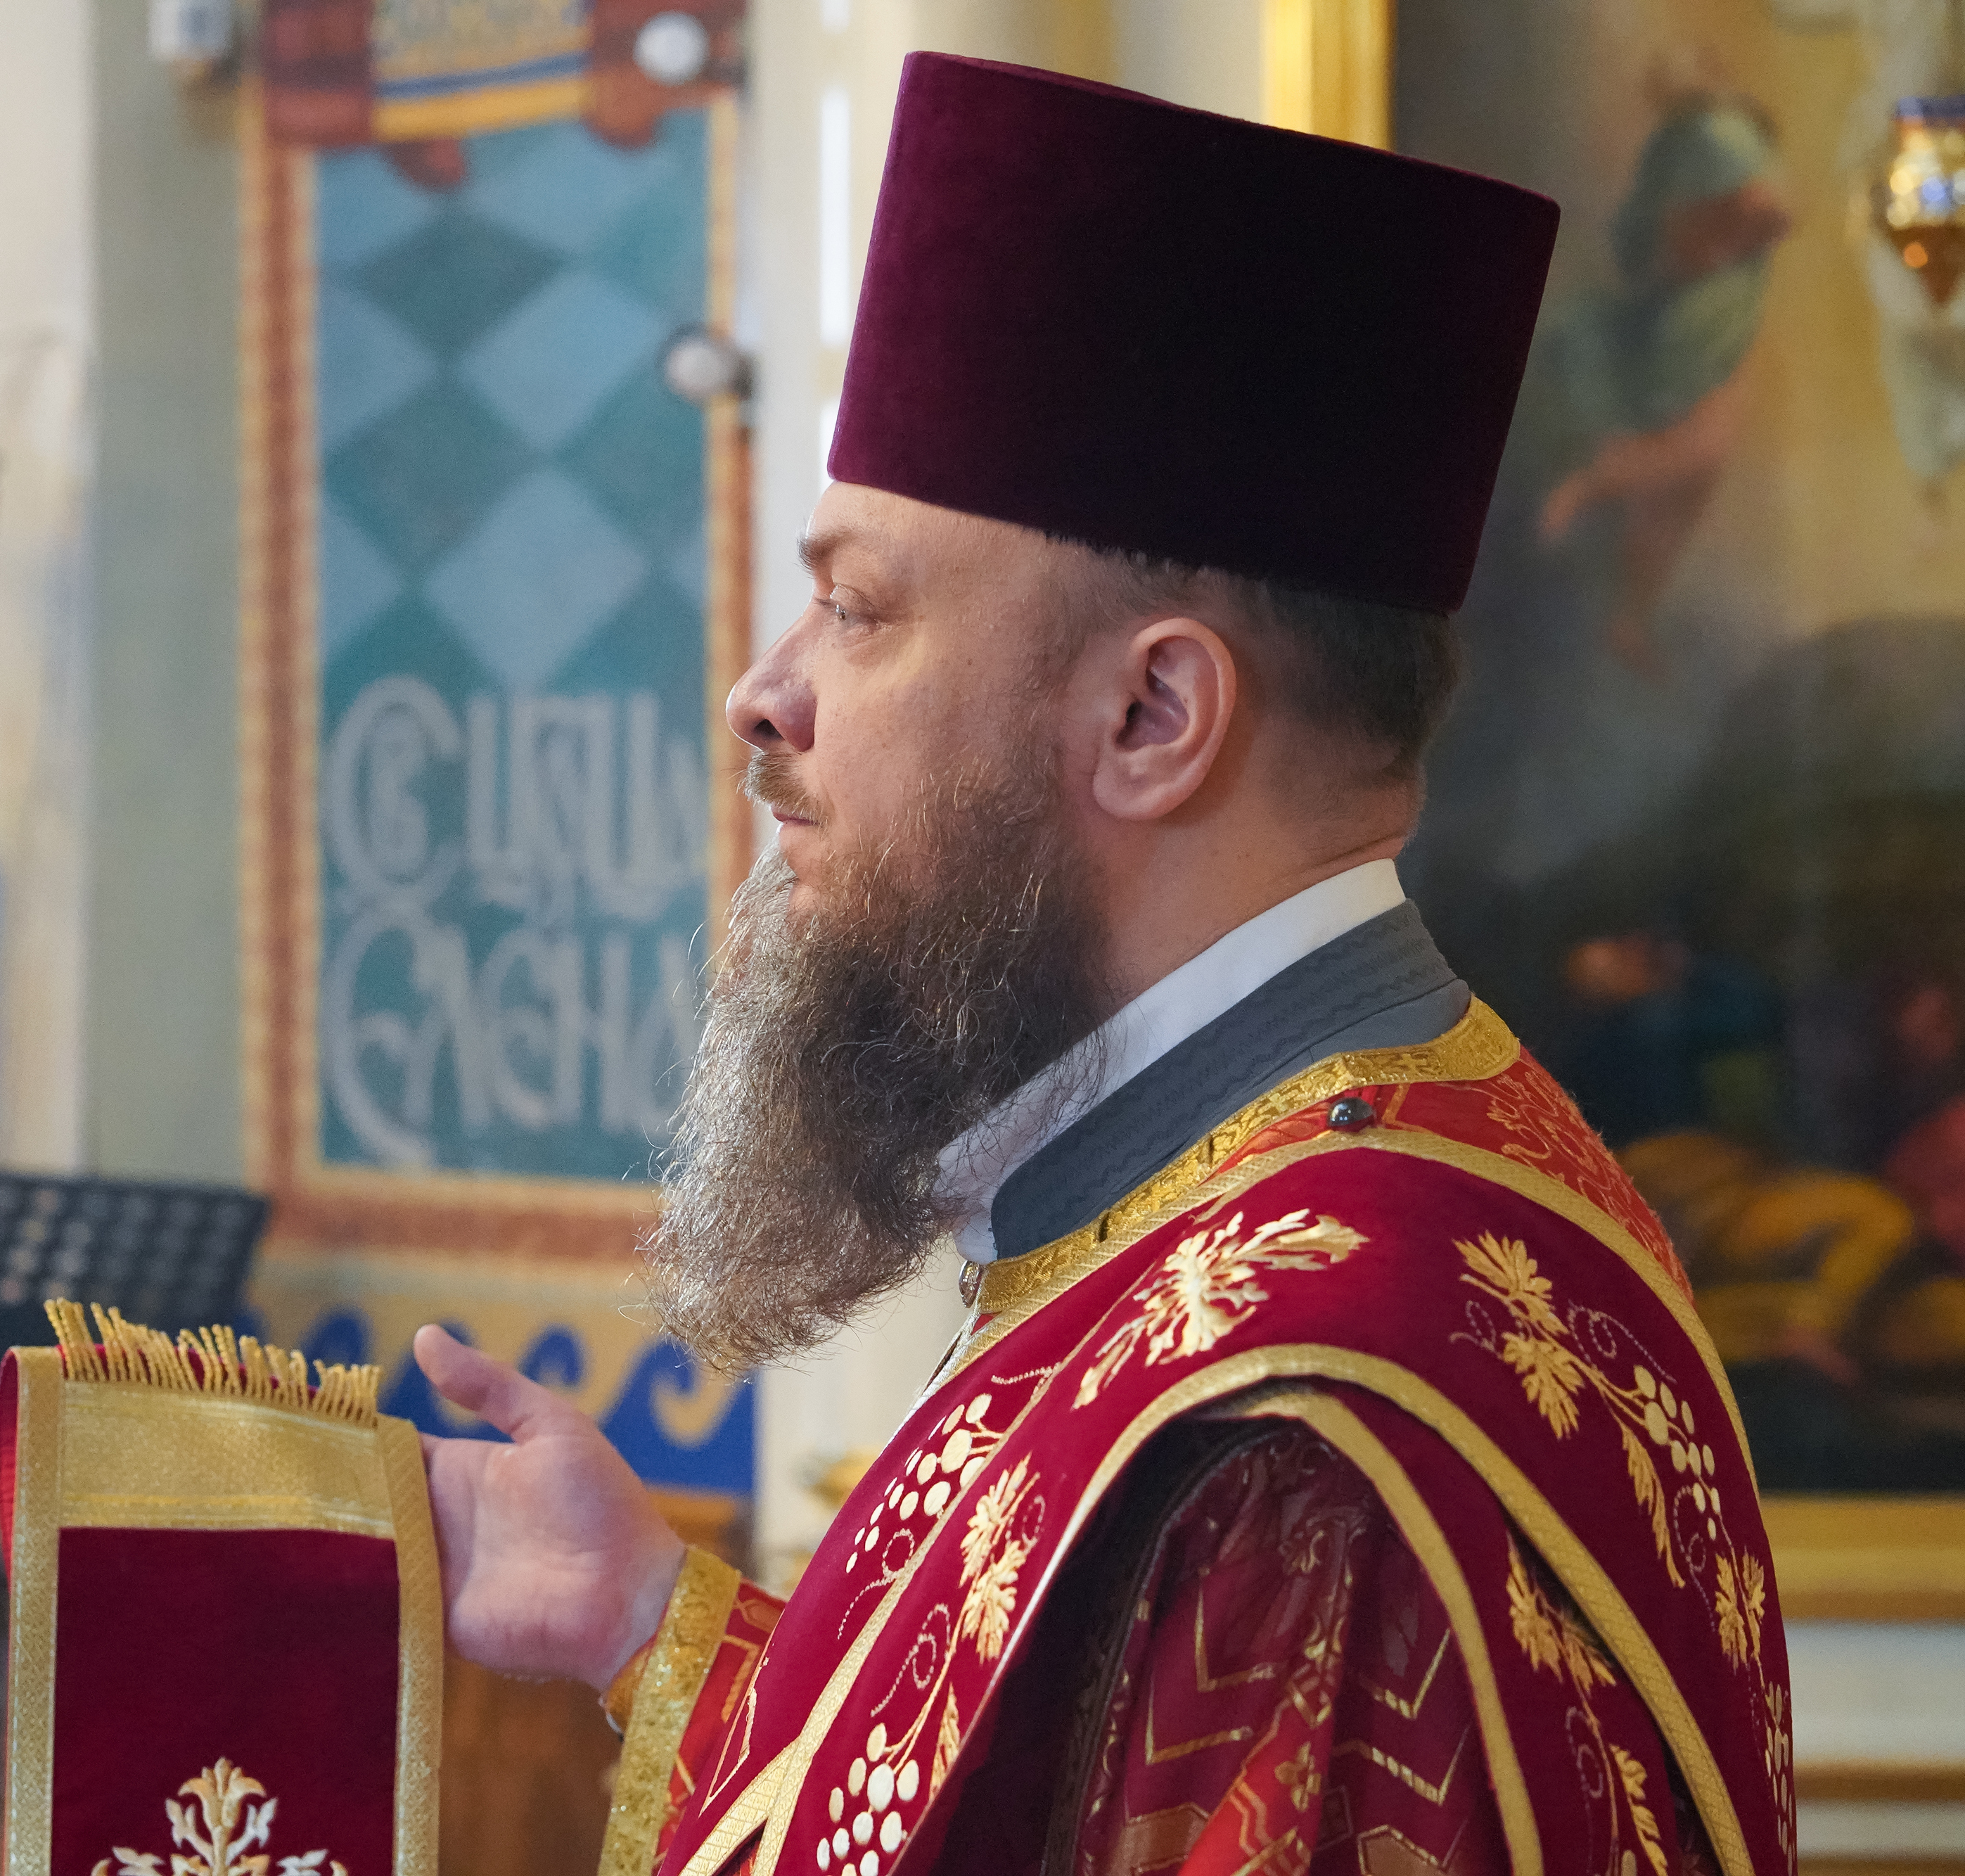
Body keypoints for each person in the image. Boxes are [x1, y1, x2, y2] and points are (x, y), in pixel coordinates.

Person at [409, 54, 1793, 1876]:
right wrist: (653, 1623)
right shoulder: (1408, 1195)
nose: (767, 692)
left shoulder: (1297, 1437)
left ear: (1152, 712)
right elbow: (1058, 1787)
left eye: (861, 605)